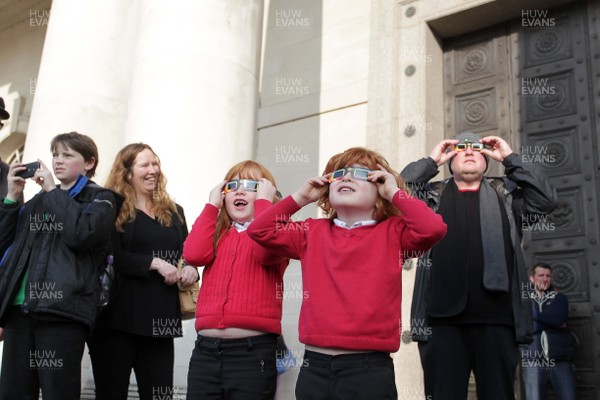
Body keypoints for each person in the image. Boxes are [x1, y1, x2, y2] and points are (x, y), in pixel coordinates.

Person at [248, 147, 447, 400]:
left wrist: (394, 193)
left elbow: (433, 229)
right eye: (338, 174)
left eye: (361, 173)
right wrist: (301, 197)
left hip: (368, 370)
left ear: (379, 191)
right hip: (314, 368)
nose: (346, 177)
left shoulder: (394, 231)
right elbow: (260, 230)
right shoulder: (311, 231)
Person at [401, 132, 557, 400]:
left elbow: (546, 200)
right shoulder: (431, 197)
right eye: (461, 149)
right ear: (450, 161)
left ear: (486, 160)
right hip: (440, 324)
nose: (469, 152)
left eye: (476, 148)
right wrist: (430, 161)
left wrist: (510, 159)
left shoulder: (508, 195)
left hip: (497, 321)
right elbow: (397, 194)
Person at [0, 132, 119, 400]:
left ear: (89, 163)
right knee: (13, 393)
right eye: (55, 155)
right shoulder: (37, 201)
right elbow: (5, 244)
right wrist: (11, 197)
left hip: (63, 313)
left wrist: (53, 191)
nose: (58, 161)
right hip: (20, 311)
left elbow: (80, 234)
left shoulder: (101, 199)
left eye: (67, 155)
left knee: (58, 392)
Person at [88, 143, 195, 400]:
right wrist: (153, 263)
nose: (153, 170)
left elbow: (189, 253)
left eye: (155, 163)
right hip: (116, 320)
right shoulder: (110, 208)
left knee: (159, 395)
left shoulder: (174, 212)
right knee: (111, 394)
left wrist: (191, 268)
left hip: (160, 321)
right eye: (144, 165)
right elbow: (105, 256)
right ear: (127, 173)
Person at [183, 160, 289, 400]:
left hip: (253, 353)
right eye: (232, 186)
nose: (240, 191)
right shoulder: (218, 232)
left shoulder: (279, 231)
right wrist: (212, 206)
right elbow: (193, 254)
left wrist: (265, 204)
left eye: (252, 186)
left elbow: (266, 251)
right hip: (206, 351)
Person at [521, 262, 576, 400]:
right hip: (533, 361)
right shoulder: (523, 301)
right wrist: (551, 322)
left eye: (548, 276)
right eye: (541, 275)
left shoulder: (559, 298)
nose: (545, 279)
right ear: (532, 279)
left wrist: (533, 315)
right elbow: (524, 328)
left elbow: (558, 320)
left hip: (560, 360)